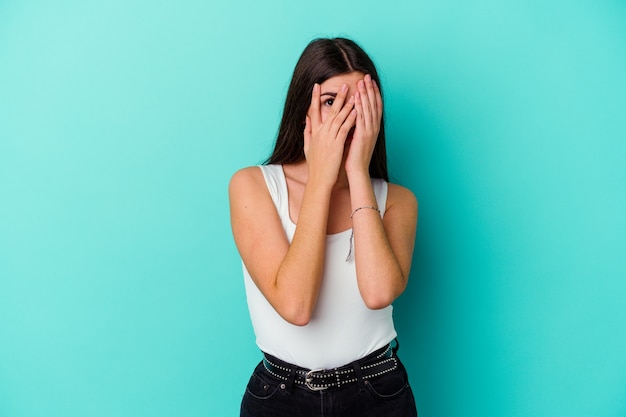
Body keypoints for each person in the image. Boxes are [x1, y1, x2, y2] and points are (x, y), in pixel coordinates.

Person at [229, 37, 418, 417]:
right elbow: (295, 305)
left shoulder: (399, 201)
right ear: (305, 111)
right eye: (331, 101)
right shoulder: (253, 186)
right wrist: (321, 177)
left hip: (377, 393)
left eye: (359, 101)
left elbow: (379, 292)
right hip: (281, 397)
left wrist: (357, 173)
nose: (346, 116)